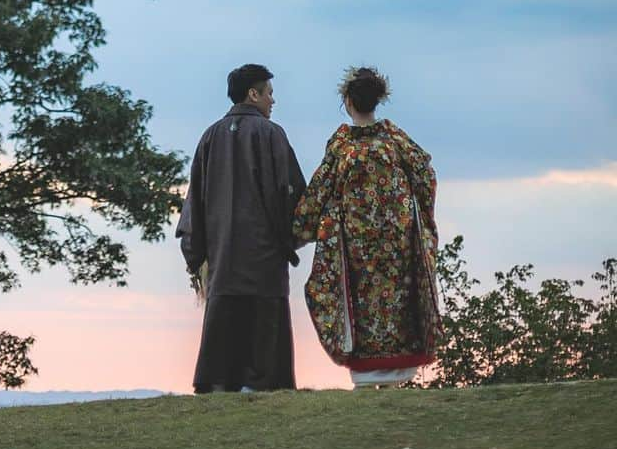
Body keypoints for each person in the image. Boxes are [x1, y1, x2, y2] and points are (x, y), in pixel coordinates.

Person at [292, 67, 441, 388]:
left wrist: (296, 231)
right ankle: (397, 378)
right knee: (397, 305)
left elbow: (319, 190)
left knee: (362, 309)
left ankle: (366, 376)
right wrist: (419, 219)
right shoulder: (395, 139)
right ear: (378, 100)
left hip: (355, 249)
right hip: (398, 247)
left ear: (347, 101)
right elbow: (425, 176)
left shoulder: (342, 145)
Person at [176, 63, 306, 393]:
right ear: (253, 94)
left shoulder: (210, 137)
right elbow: (292, 194)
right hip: (264, 259)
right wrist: (292, 240)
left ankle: (219, 385)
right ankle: (262, 387)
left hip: (221, 258)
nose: (272, 102)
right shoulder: (272, 135)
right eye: (269, 93)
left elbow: (196, 202)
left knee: (223, 337)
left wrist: (196, 255)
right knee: (265, 345)